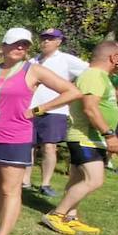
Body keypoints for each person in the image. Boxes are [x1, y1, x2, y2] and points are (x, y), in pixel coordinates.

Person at [0, 28, 82, 235]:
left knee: (10, 190)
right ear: (3, 46)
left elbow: (72, 91)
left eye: (25, 44)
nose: (20, 47)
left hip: (14, 138)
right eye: (15, 43)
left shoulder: (33, 70)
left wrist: (38, 109)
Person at [42, 41, 118, 235]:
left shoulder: (104, 77)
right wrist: (110, 135)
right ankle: (56, 215)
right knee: (94, 180)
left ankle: (70, 217)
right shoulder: (93, 76)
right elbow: (90, 108)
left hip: (93, 138)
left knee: (77, 179)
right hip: (85, 137)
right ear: (114, 57)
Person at [24, 28, 89, 196]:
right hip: (31, 109)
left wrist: (74, 91)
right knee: (28, 146)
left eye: (50, 39)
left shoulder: (66, 59)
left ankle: (45, 184)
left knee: (49, 147)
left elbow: (88, 73)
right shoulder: (32, 61)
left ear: (59, 42)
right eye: (43, 38)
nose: (46, 41)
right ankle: (25, 181)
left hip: (54, 110)